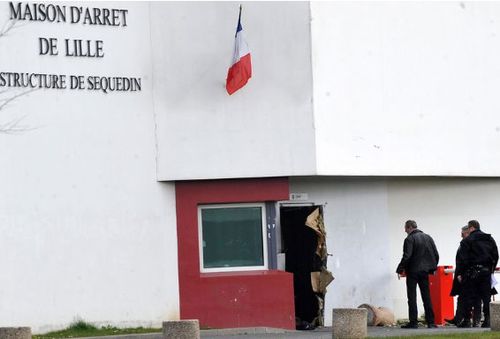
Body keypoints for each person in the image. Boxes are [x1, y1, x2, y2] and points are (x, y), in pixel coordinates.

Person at [396, 220, 440, 329]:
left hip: (413, 271)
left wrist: (400, 269)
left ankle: (413, 322)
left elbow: (407, 256)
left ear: (410, 227)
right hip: (425, 272)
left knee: (412, 297)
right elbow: (436, 254)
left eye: (405, 228)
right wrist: (432, 267)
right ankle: (431, 322)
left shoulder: (409, 239)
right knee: (426, 297)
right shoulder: (428, 237)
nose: (405, 230)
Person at [456, 220, 499, 328]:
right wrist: (491, 269)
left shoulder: (467, 241)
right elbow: (496, 255)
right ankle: (487, 320)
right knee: (486, 297)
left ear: (471, 228)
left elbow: (462, 259)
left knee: (469, 296)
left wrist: (461, 273)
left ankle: (467, 320)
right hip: (486, 272)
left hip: (471, 272)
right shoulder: (489, 238)